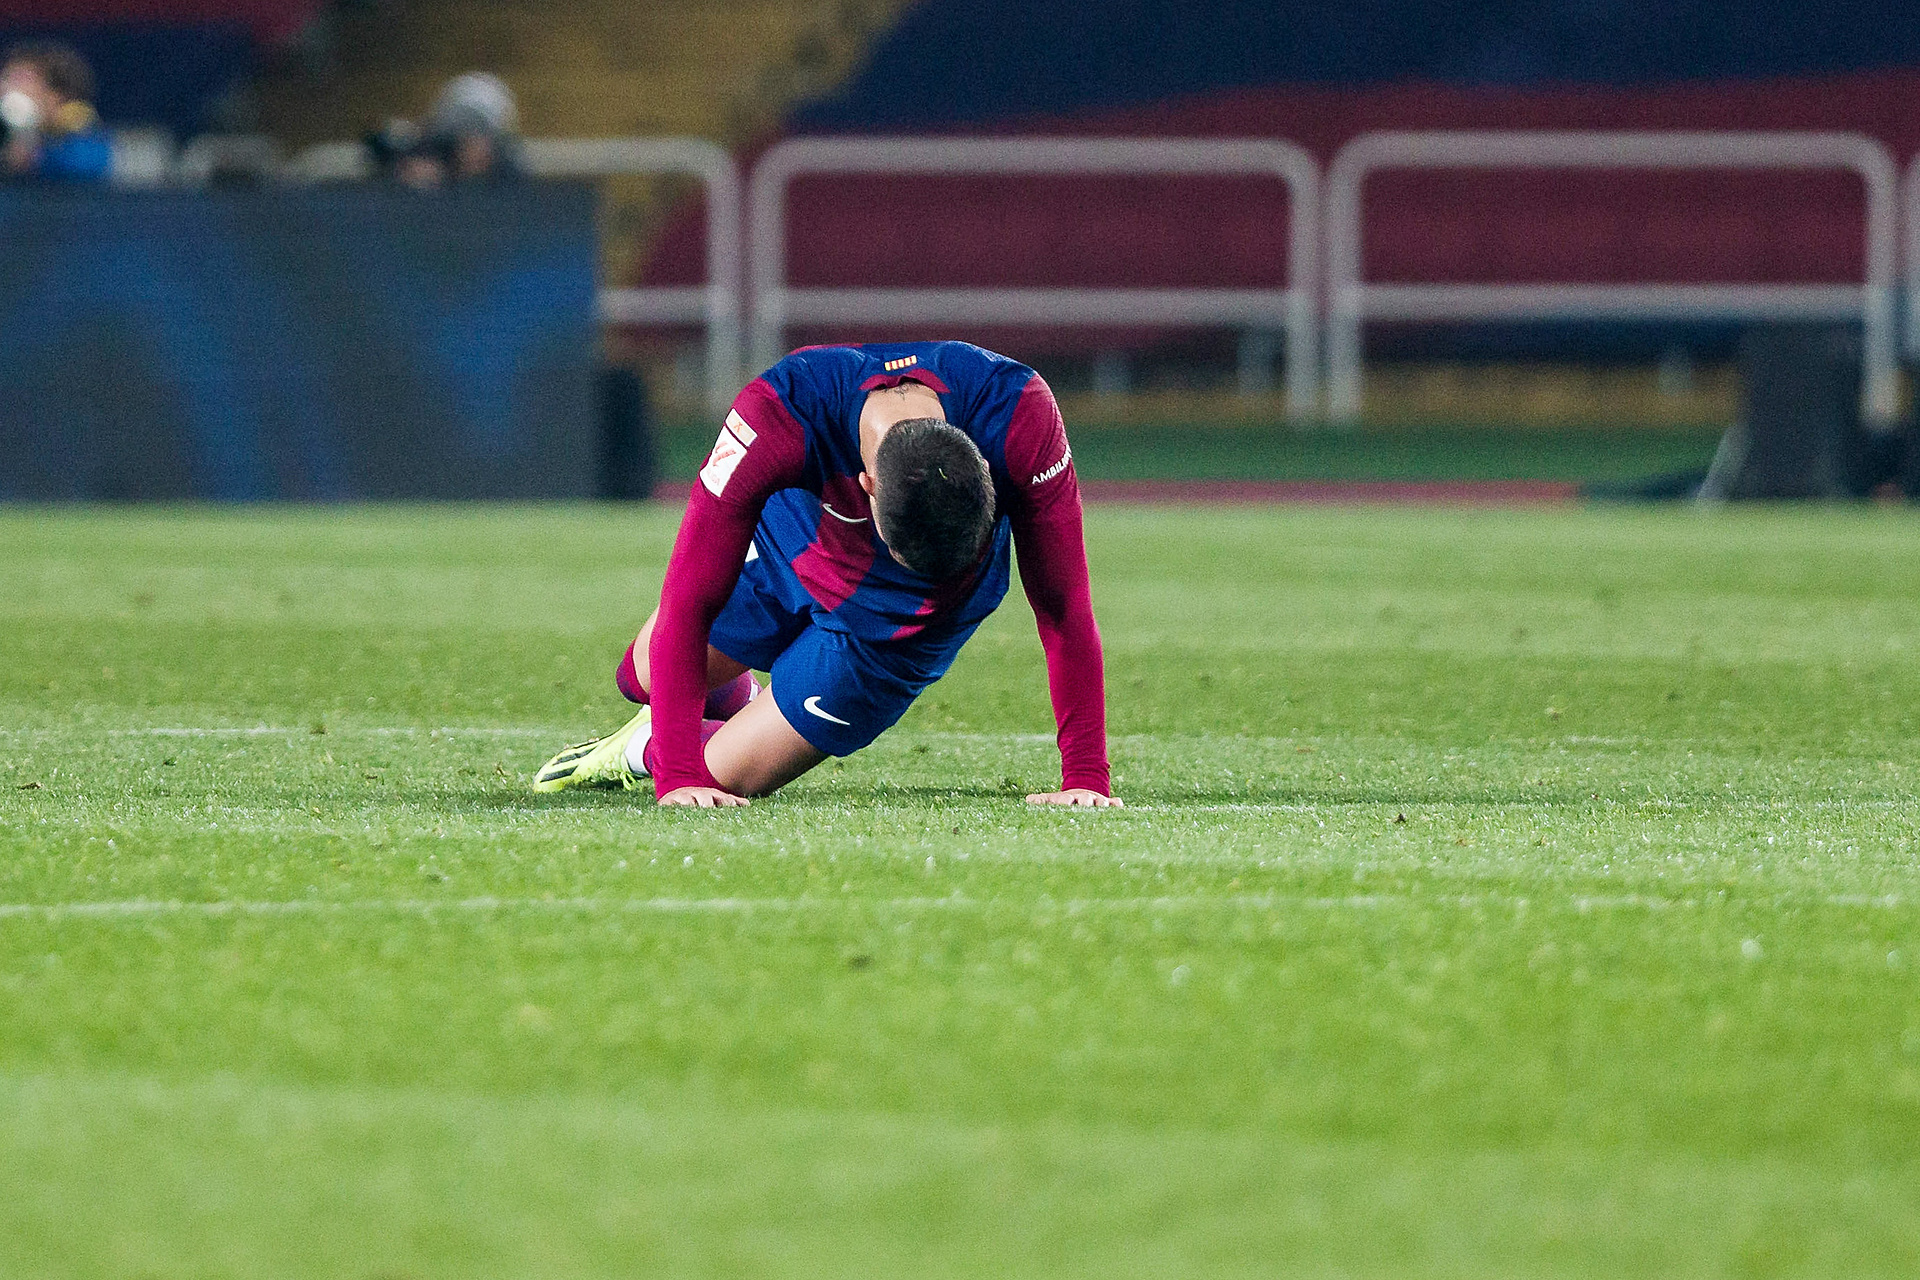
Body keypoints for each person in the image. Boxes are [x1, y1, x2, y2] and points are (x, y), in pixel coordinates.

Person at [534, 340, 1121, 809]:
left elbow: (1063, 606)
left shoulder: (1021, 414)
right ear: (865, 489)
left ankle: (637, 749)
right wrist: (677, 778)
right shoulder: (779, 411)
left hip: (897, 635)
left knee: (721, 778)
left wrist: (1087, 777)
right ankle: (723, 713)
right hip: (795, 544)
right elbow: (690, 596)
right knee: (643, 674)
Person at [0, 40, 111, 182]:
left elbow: (88, 165)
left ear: (56, 95)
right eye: (6, 78)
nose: (7, 89)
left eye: (21, 80)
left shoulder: (84, 137)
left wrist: (33, 155)